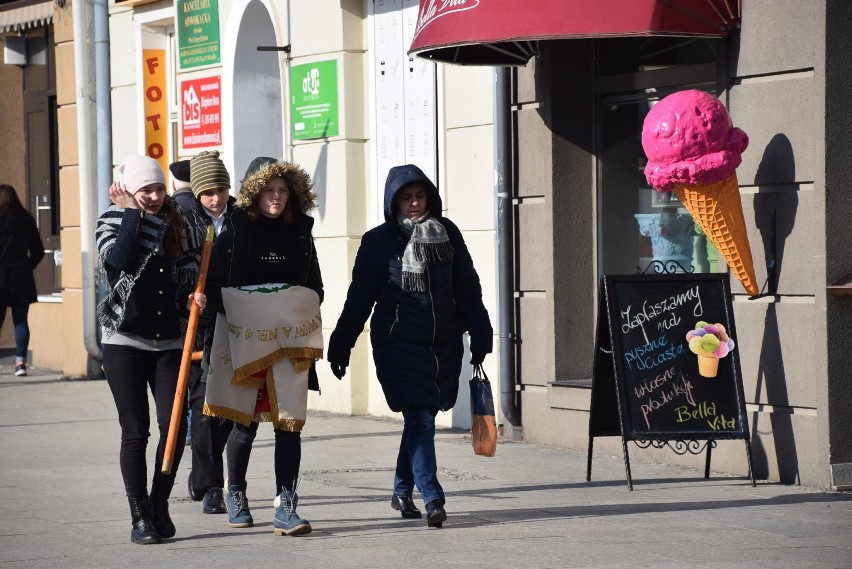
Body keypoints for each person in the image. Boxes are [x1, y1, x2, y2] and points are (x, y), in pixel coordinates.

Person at [327, 164, 493, 528]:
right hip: (397, 343)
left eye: (419, 196)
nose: (414, 204)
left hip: (442, 343)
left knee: (422, 419)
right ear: (393, 202)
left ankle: (402, 490)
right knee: (420, 418)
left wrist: (480, 332)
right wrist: (341, 342)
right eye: (406, 198)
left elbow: (467, 287)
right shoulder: (377, 242)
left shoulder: (447, 234)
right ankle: (433, 496)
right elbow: (359, 299)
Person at [202, 157, 323, 537]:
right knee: (244, 420)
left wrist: (285, 305)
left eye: (283, 191)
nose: (276, 198)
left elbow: (316, 288)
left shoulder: (301, 233)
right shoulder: (235, 233)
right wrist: (254, 309)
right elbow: (215, 286)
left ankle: (286, 505)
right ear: (255, 195)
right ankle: (235, 490)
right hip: (243, 340)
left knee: (290, 423)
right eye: (269, 191)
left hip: (288, 341)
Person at [96, 154, 205, 545]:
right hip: (124, 342)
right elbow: (120, 260)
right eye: (146, 190)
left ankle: (159, 504)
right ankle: (139, 515)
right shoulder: (111, 219)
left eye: (159, 188)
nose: (155, 196)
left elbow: (190, 270)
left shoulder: (179, 221)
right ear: (129, 191)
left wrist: (194, 295)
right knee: (135, 431)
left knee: (172, 427)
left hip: (169, 342)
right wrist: (131, 214)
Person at [169, 153, 236, 516]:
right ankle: (212, 485)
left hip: (238, 316)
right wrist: (187, 296)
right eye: (209, 191)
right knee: (204, 401)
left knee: (232, 407)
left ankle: (200, 473)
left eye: (221, 189)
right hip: (198, 318)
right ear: (197, 192)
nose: (216, 197)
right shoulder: (183, 218)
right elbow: (176, 265)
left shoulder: (241, 218)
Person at [0, 184, 45, 377]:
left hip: (0, 278)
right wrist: (27, 266)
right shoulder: (26, 220)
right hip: (21, 277)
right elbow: (39, 251)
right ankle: (20, 363)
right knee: (21, 320)